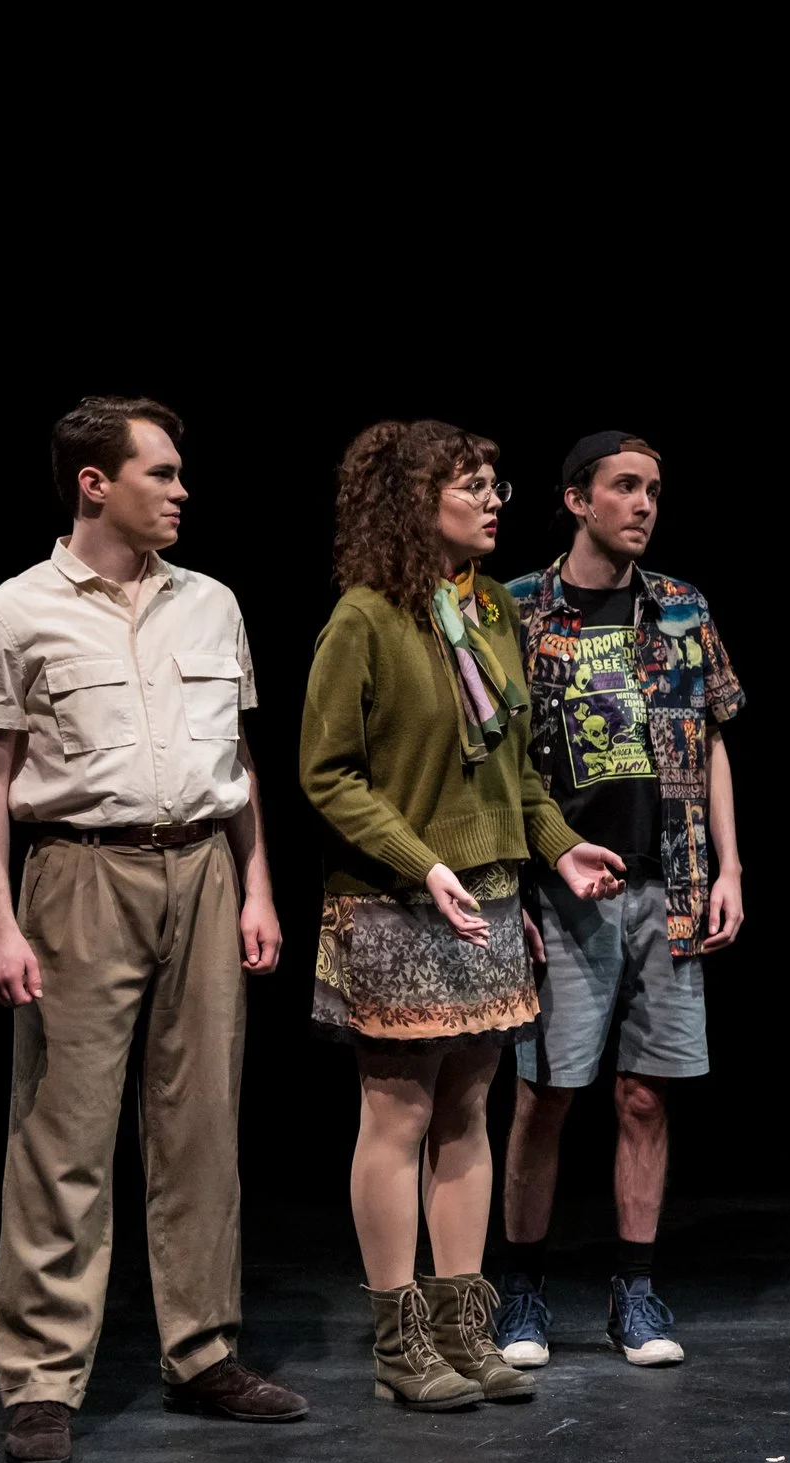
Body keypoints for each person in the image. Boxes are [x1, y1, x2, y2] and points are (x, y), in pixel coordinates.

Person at [0, 396, 307, 1463]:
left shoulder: (213, 604)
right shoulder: (10, 613)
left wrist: (259, 886)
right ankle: (42, 1377)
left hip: (202, 863)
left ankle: (201, 1351)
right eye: (161, 472)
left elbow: (237, 759)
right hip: (79, 873)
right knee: (63, 1131)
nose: (182, 489)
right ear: (94, 482)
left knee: (201, 1122)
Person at [299, 420, 628, 1411]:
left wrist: (557, 846)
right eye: (472, 485)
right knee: (397, 1117)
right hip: (396, 901)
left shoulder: (485, 611)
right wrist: (423, 860)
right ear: (413, 502)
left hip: (485, 898)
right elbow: (328, 772)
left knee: (468, 1116)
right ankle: (400, 1340)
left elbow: (514, 769)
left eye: (497, 484)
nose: (494, 500)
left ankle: (460, 1323)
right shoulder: (365, 617)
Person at [493, 432, 746, 1369]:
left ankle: (634, 1292)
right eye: (625, 487)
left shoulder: (681, 607)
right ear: (576, 500)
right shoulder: (516, 609)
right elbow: (493, 760)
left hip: (667, 882)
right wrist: (510, 883)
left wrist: (729, 867)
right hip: (563, 889)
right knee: (545, 1093)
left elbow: (714, 733)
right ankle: (521, 1288)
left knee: (646, 1094)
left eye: (654, 490)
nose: (644, 503)